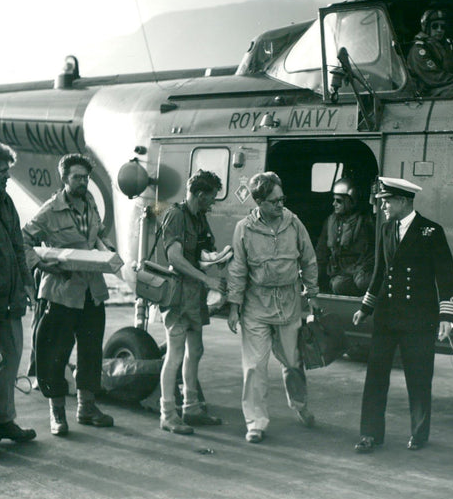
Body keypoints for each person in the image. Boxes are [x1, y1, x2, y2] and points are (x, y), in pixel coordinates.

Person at [352, 177, 453, 453]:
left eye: (387, 201)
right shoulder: (386, 230)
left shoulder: (430, 231)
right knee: (375, 377)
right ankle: (369, 434)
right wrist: (366, 308)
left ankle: (419, 434)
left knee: (419, 377)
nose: (383, 206)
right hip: (387, 316)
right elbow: (380, 273)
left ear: (402, 201)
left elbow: (445, 276)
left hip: (419, 318)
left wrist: (447, 316)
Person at [22, 153, 115, 436]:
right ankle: (57, 413)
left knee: (90, 351)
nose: (83, 182)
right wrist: (39, 263)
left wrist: (107, 249)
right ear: (64, 179)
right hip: (61, 292)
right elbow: (23, 239)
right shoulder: (50, 209)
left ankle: (86, 408)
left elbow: (96, 234)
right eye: (77, 177)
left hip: (91, 290)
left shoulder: (90, 204)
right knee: (55, 353)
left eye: (86, 177)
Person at [227, 172, 319, 444]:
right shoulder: (244, 228)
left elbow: (309, 260)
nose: (280, 205)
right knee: (254, 367)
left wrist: (312, 294)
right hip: (256, 305)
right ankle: (255, 422)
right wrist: (234, 307)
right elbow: (238, 269)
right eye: (274, 201)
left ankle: (300, 405)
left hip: (289, 305)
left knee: (293, 362)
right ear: (258, 202)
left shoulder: (294, 223)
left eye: (282, 199)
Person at [0, 140, 37, 458]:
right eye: (2, 172)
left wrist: (27, 283)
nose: (7, 177)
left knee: (10, 358)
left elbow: (17, 246)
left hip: (9, 298)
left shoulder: (6, 201)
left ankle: (2, 420)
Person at [157, 170, 226, 434]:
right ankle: (167, 413)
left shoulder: (199, 218)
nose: (213, 203)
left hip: (194, 294)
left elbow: (201, 252)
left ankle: (191, 407)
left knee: (195, 351)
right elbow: (174, 257)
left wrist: (218, 258)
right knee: (175, 354)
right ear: (199, 195)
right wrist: (206, 280)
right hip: (178, 294)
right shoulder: (176, 215)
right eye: (211, 198)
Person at [315, 178, 375, 296]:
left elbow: (374, 252)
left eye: (339, 201)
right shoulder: (330, 222)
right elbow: (321, 253)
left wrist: (362, 270)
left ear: (351, 201)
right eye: (334, 200)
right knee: (338, 285)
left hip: (362, 270)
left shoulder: (366, 222)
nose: (334, 204)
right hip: (339, 273)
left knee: (363, 282)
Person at [407, 8, 453, 96]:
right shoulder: (419, 50)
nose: (439, 30)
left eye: (443, 27)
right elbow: (434, 78)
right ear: (426, 27)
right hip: (429, 93)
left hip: (445, 87)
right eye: (435, 26)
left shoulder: (447, 46)